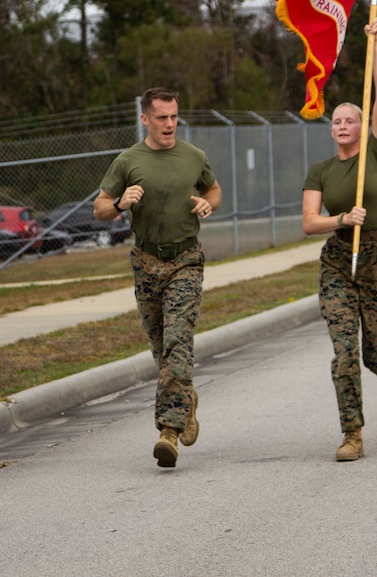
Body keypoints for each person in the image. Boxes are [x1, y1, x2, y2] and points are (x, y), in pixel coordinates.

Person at [302, 17, 377, 462]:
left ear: (363, 125)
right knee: (345, 353)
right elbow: (310, 223)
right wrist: (342, 220)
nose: (343, 125)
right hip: (336, 260)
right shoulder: (321, 171)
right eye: (337, 121)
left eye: (351, 119)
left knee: (375, 356)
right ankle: (352, 433)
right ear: (331, 129)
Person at [94, 87, 222, 469]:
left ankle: (169, 430)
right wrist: (120, 203)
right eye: (162, 117)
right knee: (161, 347)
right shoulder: (127, 161)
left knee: (178, 342)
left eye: (174, 116)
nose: (170, 124)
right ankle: (187, 399)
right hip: (146, 262)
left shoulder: (193, 157)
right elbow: (99, 207)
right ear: (145, 119)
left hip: (185, 258)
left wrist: (206, 203)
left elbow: (213, 190)